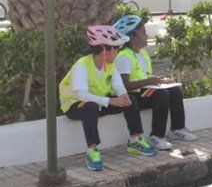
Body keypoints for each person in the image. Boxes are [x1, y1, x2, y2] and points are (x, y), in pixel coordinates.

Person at [59, 26, 156, 171]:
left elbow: (118, 85)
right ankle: (92, 151)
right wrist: (110, 101)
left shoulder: (110, 65)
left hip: (99, 102)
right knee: (90, 106)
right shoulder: (82, 65)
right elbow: (82, 95)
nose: (117, 52)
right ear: (105, 50)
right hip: (75, 105)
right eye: (115, 48)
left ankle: (135, 141)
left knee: (130, 99)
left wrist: (123, 96)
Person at [113, 15, 198, 150]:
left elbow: (146, 76)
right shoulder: (124, 57)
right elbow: (125, 85)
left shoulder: (143, 54)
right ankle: (156, 136)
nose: (147, 36)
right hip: (133, 95)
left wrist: (159, 80)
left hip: (145, 89)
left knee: (174, 90)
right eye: (144, 33)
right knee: (161, 94)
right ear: (133, 37)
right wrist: (150, 81)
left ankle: (177, 128)